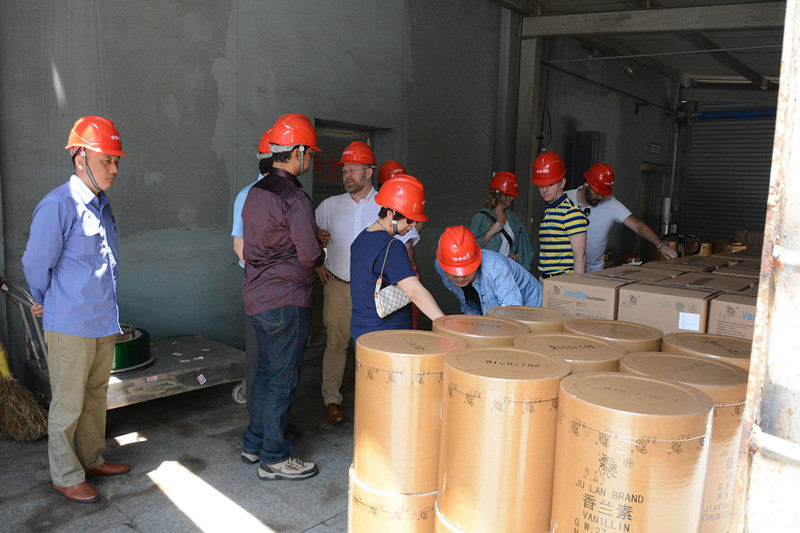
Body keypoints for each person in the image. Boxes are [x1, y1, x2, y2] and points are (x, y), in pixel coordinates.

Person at [22, 116, 131, 503]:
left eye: (116, 161)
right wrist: (46, 298)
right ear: (80, 157)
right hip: (70, 324)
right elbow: (36, 262)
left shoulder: (101, 205)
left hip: (102, 321)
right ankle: (66, 476)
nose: (114, 169)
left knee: (95, 396)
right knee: (68, 403)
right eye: (106, 160)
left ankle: (91, 458)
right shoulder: (59, 205)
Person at [240, 113, 324, 481]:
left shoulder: (255, 192)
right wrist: (319, 249)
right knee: (282, 380)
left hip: (257, 296)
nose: (311, 160)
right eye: (311, 154)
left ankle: (254, 443)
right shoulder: (295, 198)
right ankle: (274, 457)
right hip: (287, 299)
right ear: (299, 152)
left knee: (265, 374)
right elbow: (309, 256)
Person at [314, 143, 418, 425]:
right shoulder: (329, 206)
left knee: (375, 348)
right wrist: (319, 264)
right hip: (338, 285)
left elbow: (407, 245)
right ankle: (332, 400)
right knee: (335, 344)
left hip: (377, 292)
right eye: (344, 171)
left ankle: (374, 403)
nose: (346, 175)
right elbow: (311, 238)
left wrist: (404, 285)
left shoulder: (387, 205)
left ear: (369, 172)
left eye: (352, 170)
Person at [350, 175, 444, 341]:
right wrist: (444, 324)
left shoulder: (360, 239)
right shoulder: (392, 247)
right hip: (389, 336)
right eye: (410, 220)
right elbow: (415, 293)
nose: (413, 226)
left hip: (362, 331)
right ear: (391, 213)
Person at [566, 163, 678, 271]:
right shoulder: (565, 199)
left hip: (594, 271)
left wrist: (660, 245)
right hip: (566, 270)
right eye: (597, 193)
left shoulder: (610, 204)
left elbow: (637, 225)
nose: (601, 197)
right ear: (586, 186)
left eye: (604, 193)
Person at [231, 129, 272, 413]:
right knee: (259, 355)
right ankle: (258, 419)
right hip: (261, 286)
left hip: (280, 287)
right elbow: (240, 246)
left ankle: (274, 420)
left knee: (278, 359)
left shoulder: (285, 195)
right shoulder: (248, 195)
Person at [435, 226, 543, 314]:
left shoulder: (495, 269)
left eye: (466, 272)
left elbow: (511, 312)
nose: (460, 278)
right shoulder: (440, 265)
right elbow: (469, 304)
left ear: (477, 262)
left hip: (529, 307)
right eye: (454, 273)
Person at [532, 151, 588, 278]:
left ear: (562, 183)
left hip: (562, 280)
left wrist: (577, 286)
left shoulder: (571, 212)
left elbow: (580, 256)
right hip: (546, 278)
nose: (544, 190)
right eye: (541, 185)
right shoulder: (550, 211)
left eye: (550, 184)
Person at [469, 171, 534, 271]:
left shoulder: (513, 219)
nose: (512, 198)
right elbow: (471, 250)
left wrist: (517, 257)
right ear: (498, 194)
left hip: (506, 272)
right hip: (486, 272)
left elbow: (525, 247)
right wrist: (491, 232)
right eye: (508, 195)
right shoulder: (481, 218)